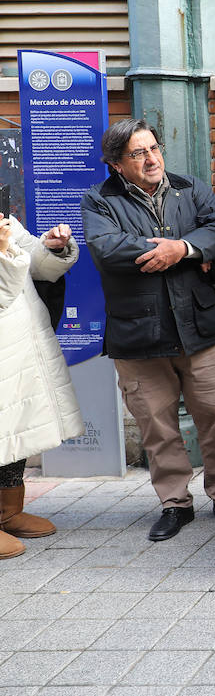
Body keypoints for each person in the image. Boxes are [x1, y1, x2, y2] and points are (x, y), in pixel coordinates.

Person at [82, 119, 215, 542]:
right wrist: (180, 249)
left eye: (153, 148)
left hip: (199, 328)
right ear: (117, 164)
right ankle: (175, 504)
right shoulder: (98, 200)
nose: (152, 158)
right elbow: (107, 248)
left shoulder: (190, 187)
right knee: (158, 426)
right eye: (138, 153)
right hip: (138, 335)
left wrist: (183, 248)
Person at [0, 217, 80, 559]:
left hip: (20, 345)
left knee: (14, 431)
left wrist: (51, 247)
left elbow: (35, 261)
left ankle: (8, 511)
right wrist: (3, 252)